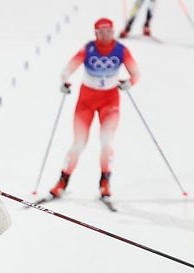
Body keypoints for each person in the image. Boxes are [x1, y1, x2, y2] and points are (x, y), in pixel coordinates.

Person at [48, 17, 139, 201]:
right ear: (96, 33)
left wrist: (130, 83)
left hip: (110, 101)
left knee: (106, 143)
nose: (106, 35)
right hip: (86, 101)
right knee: (79, 144)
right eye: (101, 32)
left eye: (109, 31)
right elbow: (67, 69)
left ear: (113, 32)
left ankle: (105, 182)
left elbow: (135, 73)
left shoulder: (121, 50)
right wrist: (64, 81)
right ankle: (62, 181)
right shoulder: (88, 49)